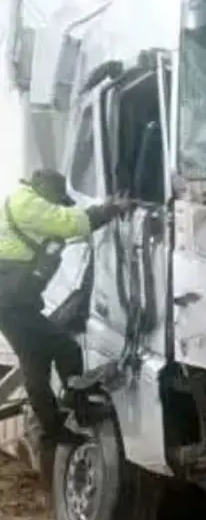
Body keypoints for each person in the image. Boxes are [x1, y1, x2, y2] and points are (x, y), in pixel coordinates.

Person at [0, 169, 135, 446]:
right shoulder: (26, 202)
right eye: (58, 201)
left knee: (34, 362)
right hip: (10, 302)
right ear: (45, 191)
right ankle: (78, 406)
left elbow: (69, 224)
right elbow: (68, 223)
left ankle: (53, 431)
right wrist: (109, 209)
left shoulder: (22, 202)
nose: (60, 206)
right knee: (65, 347)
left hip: (13, 302)